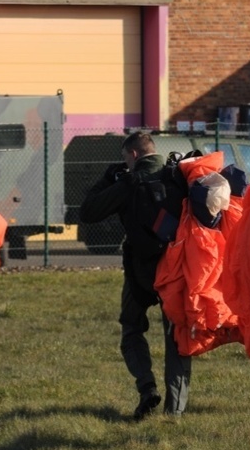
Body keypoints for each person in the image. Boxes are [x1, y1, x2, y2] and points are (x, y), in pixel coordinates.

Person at [79, 131, 192, 420]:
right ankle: (175, 410)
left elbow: (88, 211)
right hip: (176, 270)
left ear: (133, 155)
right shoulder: (177, 174)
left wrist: (109, 180)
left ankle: (147, 388)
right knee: (176, 338)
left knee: (131, 328)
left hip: (140, 272)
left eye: (124, 160)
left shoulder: (128, 182)